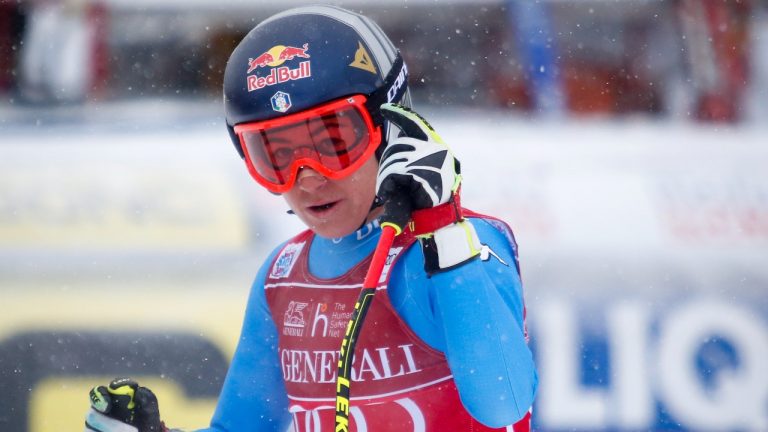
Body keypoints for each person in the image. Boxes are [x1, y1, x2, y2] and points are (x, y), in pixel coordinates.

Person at [84, 5, 537, 432]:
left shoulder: (461, 242)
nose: (308, 179)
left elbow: (504, 404)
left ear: (392, 128)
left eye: (333, 144)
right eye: (276, 157)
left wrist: (443, 228)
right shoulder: (283, 276)